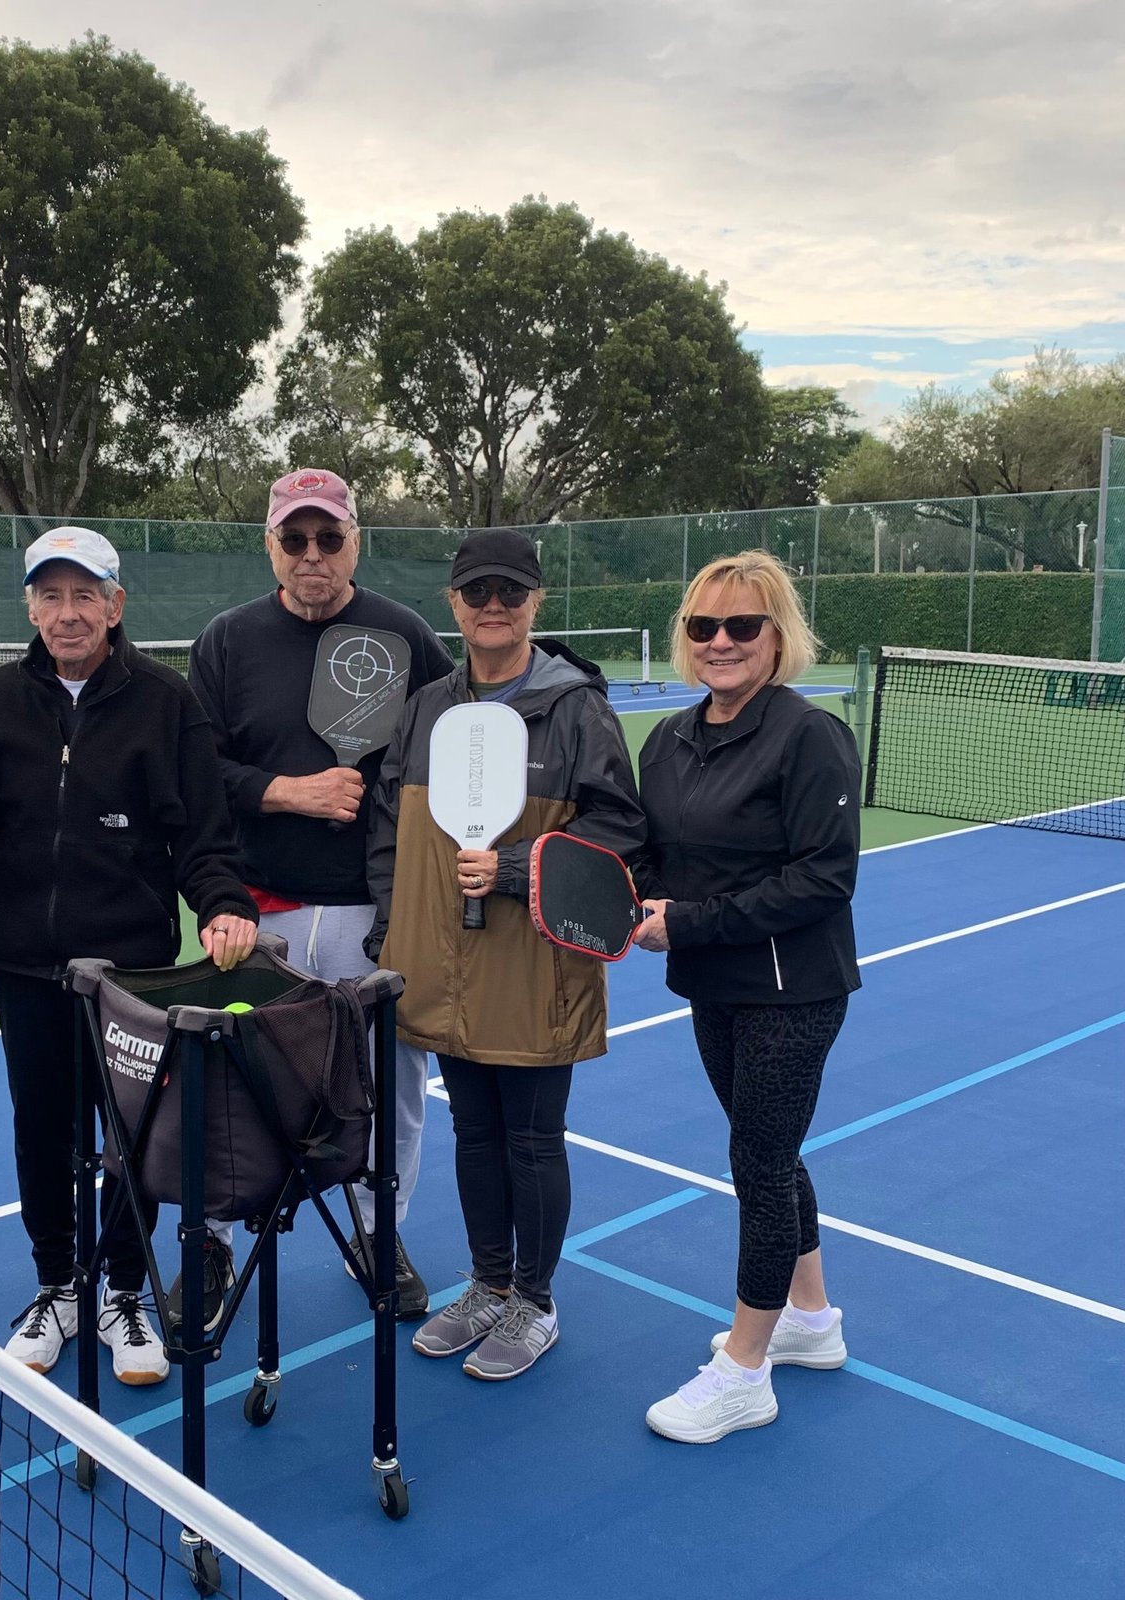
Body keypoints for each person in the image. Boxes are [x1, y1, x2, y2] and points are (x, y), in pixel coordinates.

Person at [0, 527, 258, 1388]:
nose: (67, 613)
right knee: (43, 1133)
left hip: (131, 976)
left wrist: (227, 904)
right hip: (25, 968)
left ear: (115, 605)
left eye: (83, 596)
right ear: (30, 606)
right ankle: (58, 1286)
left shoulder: (166, 701)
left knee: (135, 1138)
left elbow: (204, 834)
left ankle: (123, 1289)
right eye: (50, 596)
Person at [364, 529, 646, 1379]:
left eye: (510, 593)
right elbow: (390, 826)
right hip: (442, 965)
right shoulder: (427, 707)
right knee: (474, 1132)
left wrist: (519, 866)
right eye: (477, 592)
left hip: (536, 963)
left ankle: (535, 1299)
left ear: (535, 603)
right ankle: (488, 1284)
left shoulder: (576, 706)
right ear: (454, 603)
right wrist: (391, 930)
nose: (494, 606)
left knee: (531, 1137)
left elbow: (622, 826)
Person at [188, 468, 455, 1325]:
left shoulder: (405, 634)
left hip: (376, 915)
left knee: (391, 1083)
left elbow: (454, 748)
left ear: (354, 542)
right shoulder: (226, 642)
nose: (312, 555)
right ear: (270, 545)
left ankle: (380, 1233)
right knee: (233, 1084)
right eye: (293, 539)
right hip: (258, 914)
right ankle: (215, 1244)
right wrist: (286, 791)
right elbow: (196, 777)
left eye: (328, 538)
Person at [632, 550, 860, 1443]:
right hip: (713, 987)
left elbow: (824, 880)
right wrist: (635, 900)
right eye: (704, 626)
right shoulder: (671, 740)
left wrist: (686, 920)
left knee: (759, 1165)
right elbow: (653, 855)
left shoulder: (809, 736)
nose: (721, 642)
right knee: (767, 1149)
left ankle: (745, 1371)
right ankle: (810, 1320)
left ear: (777, 637)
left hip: (792, 994)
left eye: (743, 626)